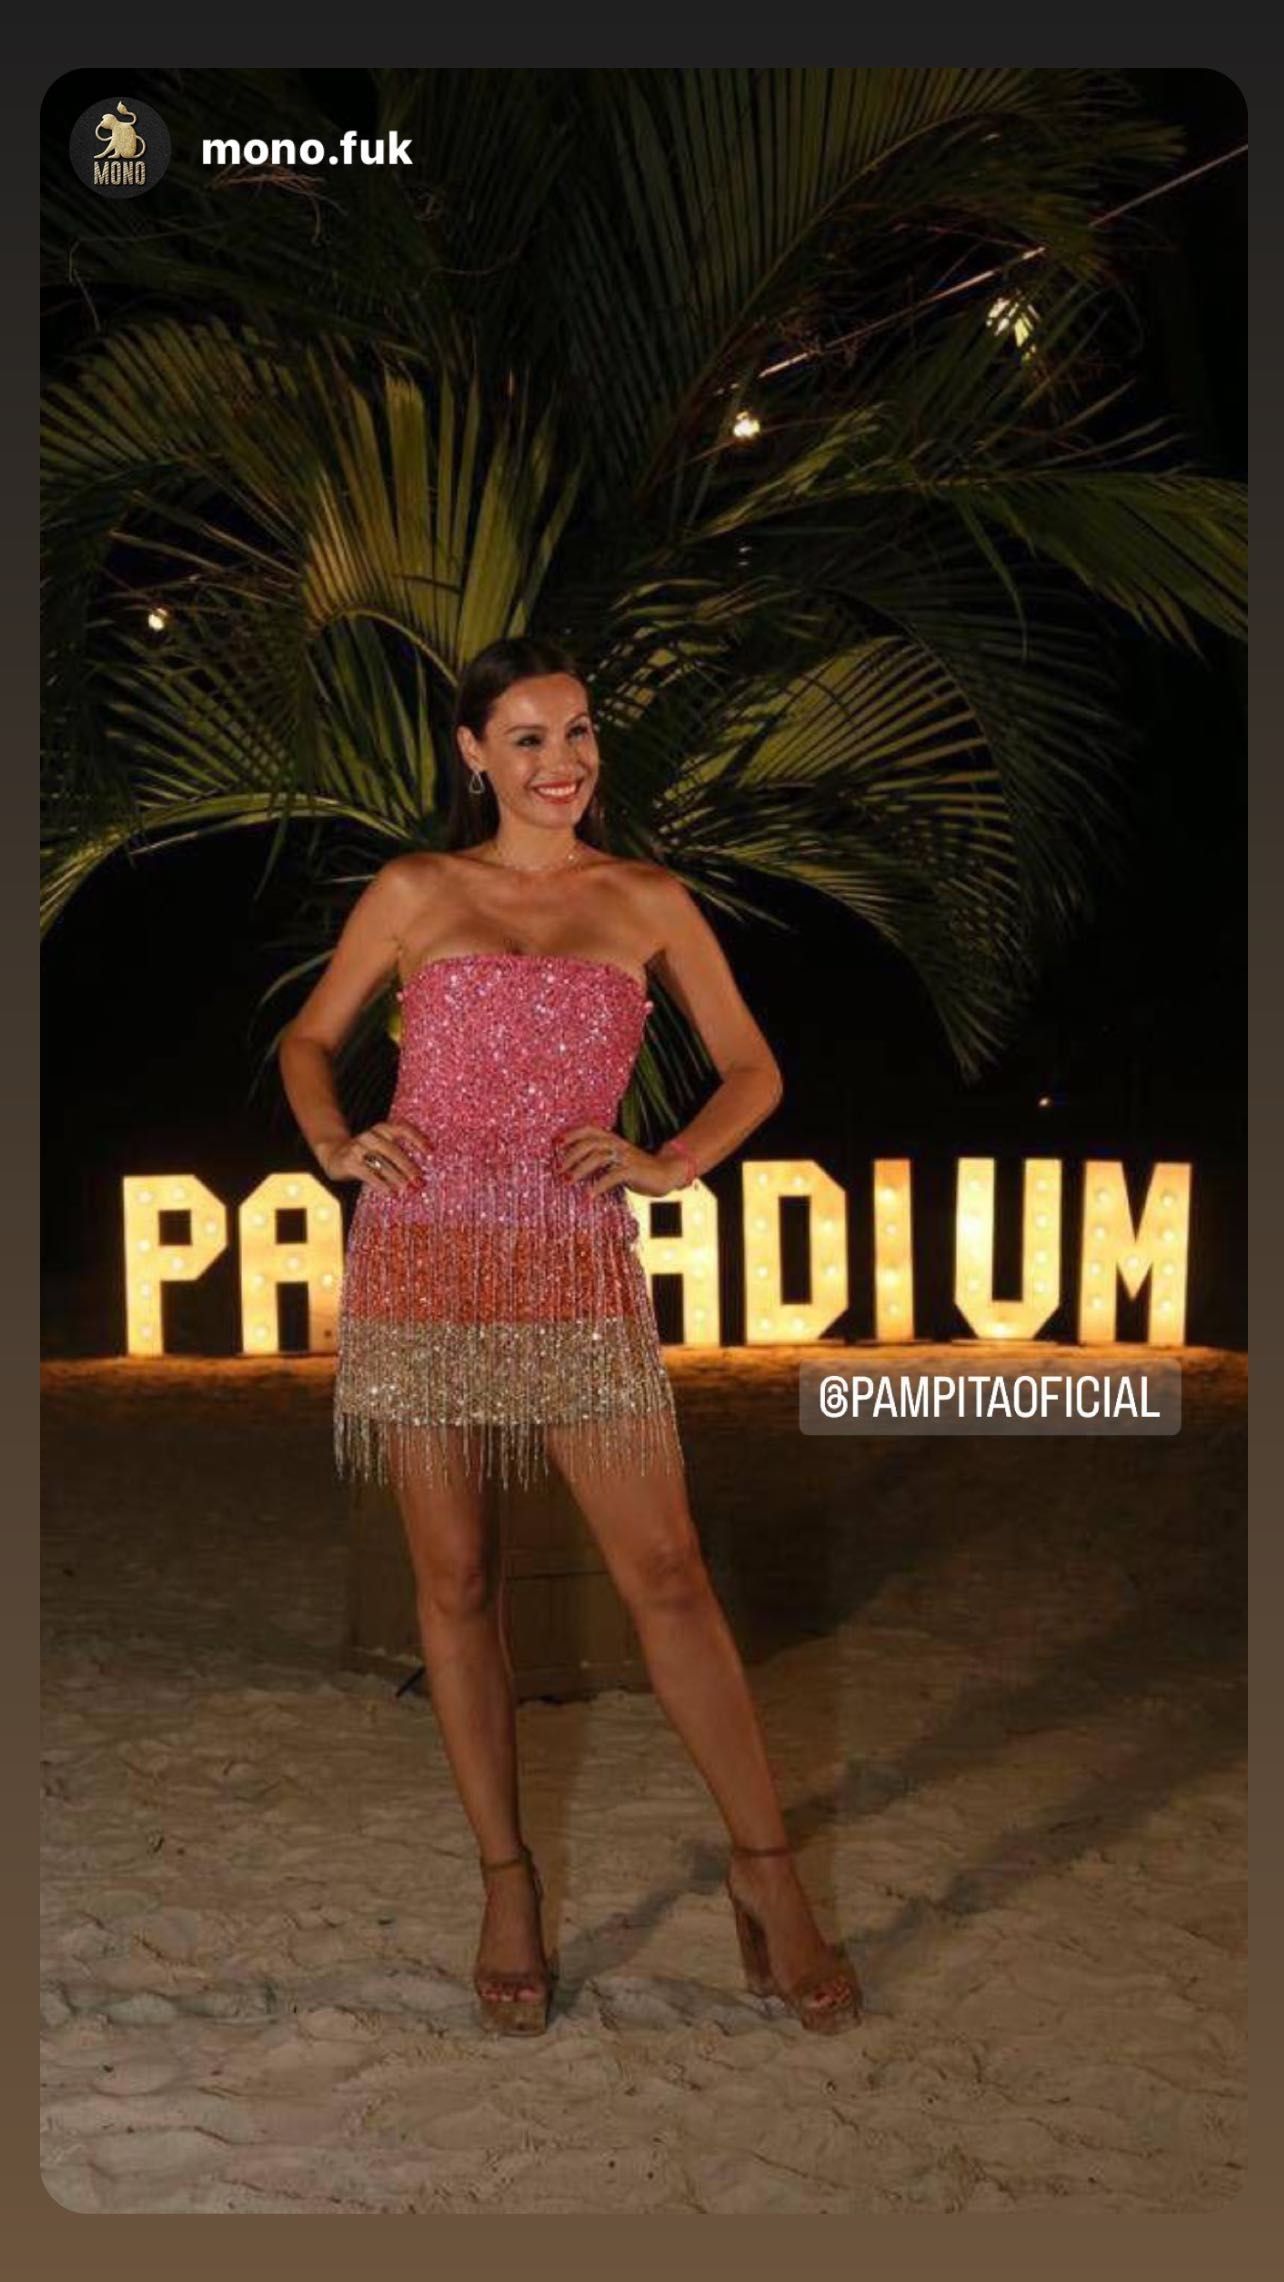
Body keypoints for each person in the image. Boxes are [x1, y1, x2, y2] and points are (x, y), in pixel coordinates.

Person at [278, 636, 862, 2037]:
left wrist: (672, 1163)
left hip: (575, 1260)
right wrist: (337, 1143)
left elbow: (754, 1067)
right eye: (530, 737)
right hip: (422, 1256)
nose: (564, 762)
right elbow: (307, 1041)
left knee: (666, 1569)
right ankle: (508, 1884)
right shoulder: (418, 889)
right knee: (457, 1578)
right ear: (473, 753)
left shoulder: (645, 899)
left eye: (580, 731)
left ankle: (768, 1872)